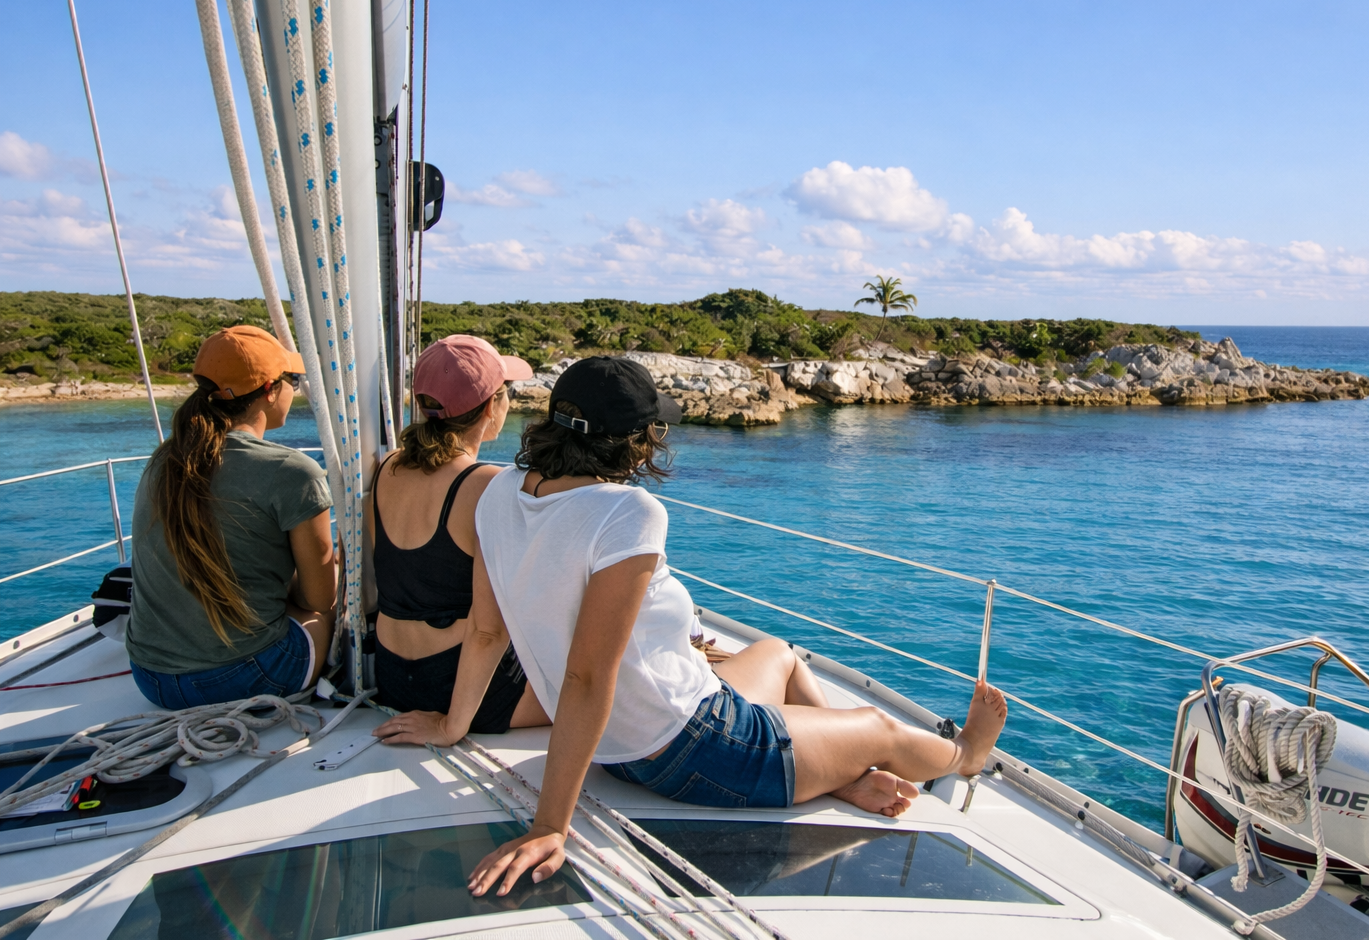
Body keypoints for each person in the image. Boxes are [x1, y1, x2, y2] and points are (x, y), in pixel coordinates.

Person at [465, 356, 1009, 897]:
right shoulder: (626, 511)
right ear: (632, 439)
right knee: (878, 727)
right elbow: (586, 676)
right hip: (694, 746)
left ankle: (839, 772)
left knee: (779, 656)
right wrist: (550, 827)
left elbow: (486, 632)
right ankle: (965, 755)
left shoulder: (498, 492)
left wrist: (450, 725)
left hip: (617, 751)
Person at [127, 326, 337, 709]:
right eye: (292, 381)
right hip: (244, 678)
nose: (294, 389)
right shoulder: (293, 472)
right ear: (270, 390)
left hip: (151, 678)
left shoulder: (164, 460)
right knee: (329, 612)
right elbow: (319, 599)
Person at [369, 335, 551, 745]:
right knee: (607, 693)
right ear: (491, 407)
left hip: (393, 678)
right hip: (458, 692)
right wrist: (450, 727)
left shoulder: (387, 467)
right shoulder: (489, 485)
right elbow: (488, 631)